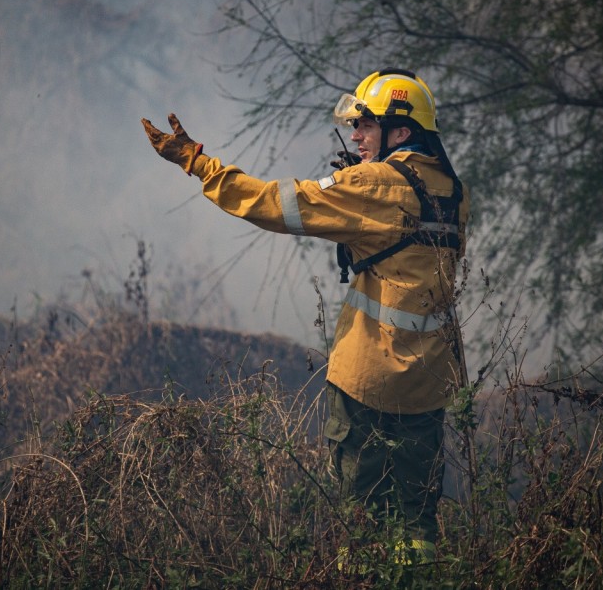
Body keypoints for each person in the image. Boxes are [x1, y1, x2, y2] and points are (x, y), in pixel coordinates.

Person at [141, 68, 469, 564]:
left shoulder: (373, 183)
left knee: (361, 524)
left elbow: (275, 204)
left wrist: (199, 163)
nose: (356, 136)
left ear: (401, 132)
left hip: (368, 384)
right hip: (428, 386)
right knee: (416, 526)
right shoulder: (454, 191)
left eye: (367, 126)